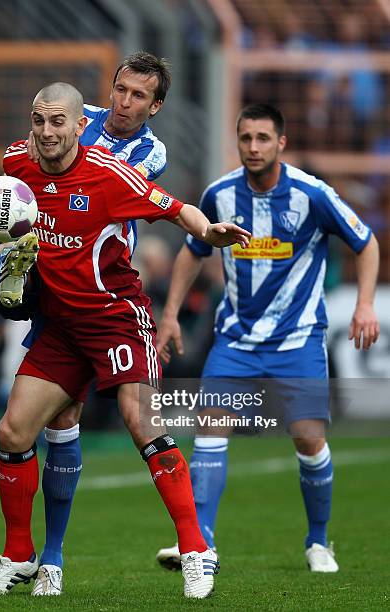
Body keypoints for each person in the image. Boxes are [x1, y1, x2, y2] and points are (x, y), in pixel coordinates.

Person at [0, 81, 250, 598]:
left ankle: (197, 551)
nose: (46, 132)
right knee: (13, 432)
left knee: (140, 420)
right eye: (39, 121)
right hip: (60, 326)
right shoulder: (16, 165)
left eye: (59, 122)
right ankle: (18, 555)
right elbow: (11, 219)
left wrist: (209, 231)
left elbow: (175, 208)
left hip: (116, 317)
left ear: (82, 126)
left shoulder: (109, 174)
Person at [0, 51, 172, 590]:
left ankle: (53, 557)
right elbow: (29, 165)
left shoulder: (147, 153)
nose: (124, 103)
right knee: (44, 425)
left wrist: (50, 141)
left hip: (103, 293)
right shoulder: (65, 119)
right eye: (120, 89)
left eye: (138, 96)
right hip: (52, 293)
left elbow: (91, 178)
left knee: (76, 420)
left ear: (154, 107)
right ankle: (36, 559)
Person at [155, 104, 379, 573]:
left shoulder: (311, 194)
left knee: (308, 440)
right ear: (237, 142)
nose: (253, 147)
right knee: (210, 430)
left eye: (262, 138)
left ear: (281, 142)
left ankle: (318, 541)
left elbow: (365, 242)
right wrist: (171, 314)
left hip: (296, 339)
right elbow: (192, 252)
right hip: (235, 340)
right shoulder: (218, 194)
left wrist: (363, 305)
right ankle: (203, 544)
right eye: (246, 138)